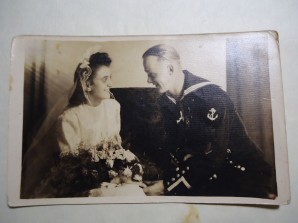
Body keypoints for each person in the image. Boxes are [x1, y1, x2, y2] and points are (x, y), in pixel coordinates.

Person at [142, 44, 274, 198]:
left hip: (243, 175)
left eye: (152, 74)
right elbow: (177, 150)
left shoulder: (211, 97)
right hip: (206, 175)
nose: (148, 80)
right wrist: (165, 180)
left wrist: (167, 187)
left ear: (171, 69)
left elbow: (213, 157)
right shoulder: (166, 103)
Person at [32, 50, 145, 197]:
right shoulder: (70, 118)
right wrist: (111, 178)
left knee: (135, 192)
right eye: (104, 79)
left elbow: (116, 148)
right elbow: (72, 170)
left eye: (110, 78)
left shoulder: (113, 107)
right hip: (84, 184)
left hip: (113, 179)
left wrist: (124, 172)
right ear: (87, 84)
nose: (111, 83)